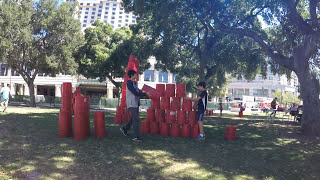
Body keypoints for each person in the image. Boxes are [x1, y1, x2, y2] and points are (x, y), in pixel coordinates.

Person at [120, 70, 151, 142]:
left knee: (134, 118)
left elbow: (139, 92)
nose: (136, 76)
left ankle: (125, 129)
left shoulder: (134, 83)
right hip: (131, 103)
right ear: (131, 75)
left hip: (136, 103)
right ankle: (136, 137)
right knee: (135, 120)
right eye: (135, 74)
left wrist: (146, 93)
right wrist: (145, 94)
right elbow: (135, 93)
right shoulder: (129, 82)